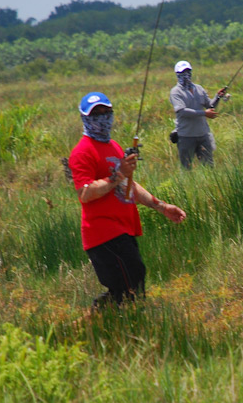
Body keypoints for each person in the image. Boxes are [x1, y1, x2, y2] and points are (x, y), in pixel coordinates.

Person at [68, 91, 187, 308]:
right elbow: (85, 193)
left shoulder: (113, 146)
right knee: (129, 281)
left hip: (124, 228)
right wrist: (118, 174)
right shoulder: (82, 152)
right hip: (102, 232)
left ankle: (103, 323)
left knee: (132, 282)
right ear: (85, 118)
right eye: (96, 114)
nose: (102, 118)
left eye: (106, 112)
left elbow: (128, 186)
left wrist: (161, 206)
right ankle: (106, 324)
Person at [169, 60, 227, 170]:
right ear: (177, 74)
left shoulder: (199, 89)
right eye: (182, 72)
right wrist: (204, 113)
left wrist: (217, 97)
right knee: (186, 169)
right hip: (186, 136)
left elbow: (209, 105)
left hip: (203, 134)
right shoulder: (175, 92)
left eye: (188, 71)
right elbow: (182, 111)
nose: (186, 75)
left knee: (209, 167)